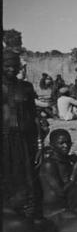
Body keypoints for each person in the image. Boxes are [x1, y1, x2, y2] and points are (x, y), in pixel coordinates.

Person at [3, 49, 44, 222]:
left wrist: (40, 143)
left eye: (14, 65)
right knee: (6, 176)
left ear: (19, 66)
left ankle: (30, 216)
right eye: (7, 65)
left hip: (25, 140)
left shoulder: (26, 87)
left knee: (28, 176)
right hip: (4, 140)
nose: (11, 69)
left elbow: (34, 116)